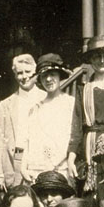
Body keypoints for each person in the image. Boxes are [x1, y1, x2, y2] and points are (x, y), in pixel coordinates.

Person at [67, 35, 104, 193]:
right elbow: (77, 124)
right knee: (94, 192)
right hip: (90, 144)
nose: (101, 60)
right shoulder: (83, 88)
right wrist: (71, 156)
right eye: (96, 56)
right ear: (91, 60)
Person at [0, 52, 46, 191]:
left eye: (28, 72)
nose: (24, 76)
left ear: (36, 73)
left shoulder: (46, 99)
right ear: (15, 75)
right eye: (19, 73)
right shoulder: (6, 104)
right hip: (14, 160)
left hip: (40, 161)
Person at [21, 53, 75, 183]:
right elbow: (27, 141)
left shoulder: (70, 104)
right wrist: (23, 168)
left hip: (60, 170)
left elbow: (73, 138)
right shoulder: (35, 108)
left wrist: (57, 164)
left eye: (53, 74)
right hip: (35, 171)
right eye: (44, 76)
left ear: (59, 76)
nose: (49, 79)